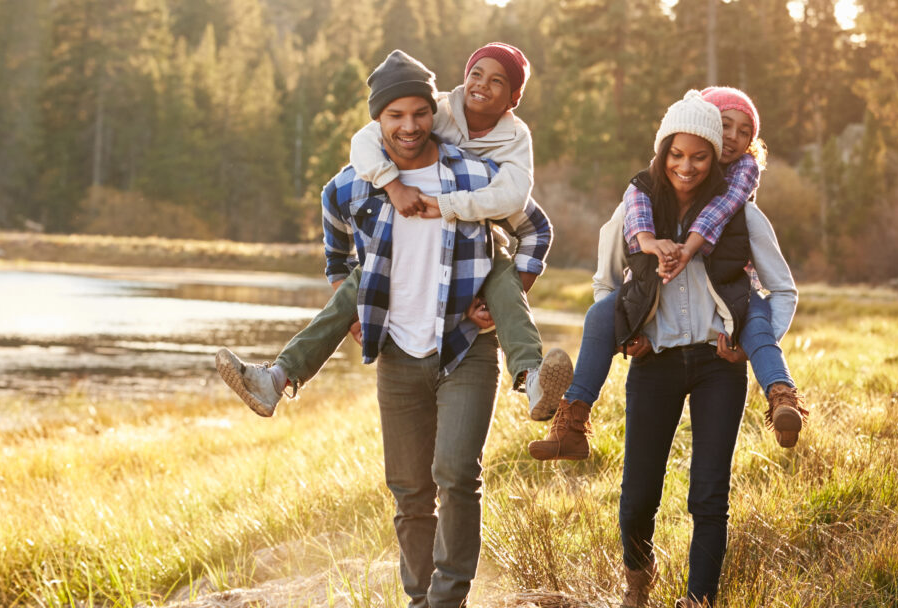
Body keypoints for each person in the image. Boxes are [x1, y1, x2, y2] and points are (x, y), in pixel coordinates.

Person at [225, 50, 552, 607]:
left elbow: (535, 226)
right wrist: (348, 299)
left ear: (434, 112)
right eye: (393, 116)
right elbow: (333, 228)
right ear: (377, 120)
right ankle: (418, 598)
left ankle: (448, 599)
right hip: (398, 351)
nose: (408, 126)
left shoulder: (474, 173)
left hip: (464, 347)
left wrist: (509, 291)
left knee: (455, 475)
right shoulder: (357, 183)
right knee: (408, 491)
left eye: (419, 114)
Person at [216, 43, 570, 424]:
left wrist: (503, 295)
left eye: (497, 80)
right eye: (476, 74)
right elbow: (365, 141)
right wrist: (392, 185)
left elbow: (521, 203)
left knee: (503, 279)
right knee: (358, 284)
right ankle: (276, 378)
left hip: (480, 245)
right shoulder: (437, 112)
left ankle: (532, 378)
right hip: (402, 248)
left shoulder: (513, 142)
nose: (481, 85)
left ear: (514, 97)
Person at [528, 86, 806, 462]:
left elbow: (722, 214)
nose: (734, 139)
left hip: (729, 302)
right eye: (725, 126)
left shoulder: (739, 189)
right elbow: (612, 264)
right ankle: (572, 418)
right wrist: (629, 329)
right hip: (654, 327)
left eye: (745, 132)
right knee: (599, 315)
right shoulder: (644, 192)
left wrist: (687, 248)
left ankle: (782, 395)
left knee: (755, 319)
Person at [594, 91, 793, 607]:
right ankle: (638, 576)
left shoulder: (742, 216)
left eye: (701, 155)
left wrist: (753, 346)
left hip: (717, 365)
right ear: (666, 152)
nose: (689, 165)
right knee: (638, 494)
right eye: (679, 154)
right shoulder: (637, 208)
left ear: (713, 159)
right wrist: (626, 333)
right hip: (654, 363)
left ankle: (698, 599)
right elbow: (604, 283)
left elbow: (783, 290)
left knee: (709, 493)